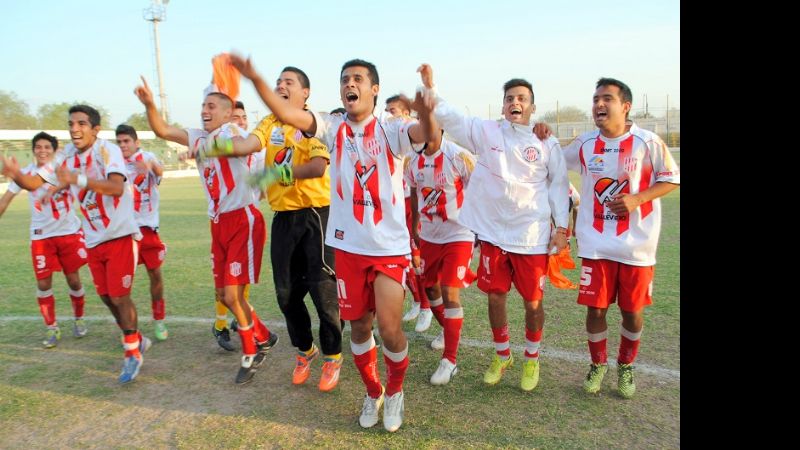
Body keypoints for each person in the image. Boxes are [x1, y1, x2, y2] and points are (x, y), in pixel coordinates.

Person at [228, 54, 434, 432]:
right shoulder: (332, 126)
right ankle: (373, 392)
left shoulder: (392, 129)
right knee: (358, 328)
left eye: (358, 78)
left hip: (388, 249)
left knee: (389, 328)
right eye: (344, 79)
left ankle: (397, 391)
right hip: (348, 249)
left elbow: (428, 135)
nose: (349, 84)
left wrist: (426, 106)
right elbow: (288, 113)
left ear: (374, 89)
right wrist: (256, 77)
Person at [419, 63, 569, 392]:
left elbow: (558, 185)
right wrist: (431, 88)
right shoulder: (487, 132)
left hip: (531, 237)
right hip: (493, 237)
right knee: (496, 298)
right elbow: (452, 118)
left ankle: (531, 358)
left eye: (522, 98)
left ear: (532, 106)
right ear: (503, 105)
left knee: (532, 302)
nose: (515, 102)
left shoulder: (546, 142)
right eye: (510, 98)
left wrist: (562, 228)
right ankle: (503, 355)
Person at [134, 73, 278, 385]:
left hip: (242, 219)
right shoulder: (198, 135)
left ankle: (251, 352)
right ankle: (264, 335)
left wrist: (202, 152)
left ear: (228, 113)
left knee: (232, 293)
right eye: (203, 105)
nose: (205, 110)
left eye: (212, 105)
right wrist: (149, 105)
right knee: (224, 295)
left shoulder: (232, 131)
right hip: (218, 223)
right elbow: (161, 129)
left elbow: (236, 148)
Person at [210, 65, 344, 392]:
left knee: (323, 294)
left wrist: (278, 175)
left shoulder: (313, 124)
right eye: (278, 82)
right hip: (284, 219)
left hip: (315, 217)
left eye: (289, 82)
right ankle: (305, 351)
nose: (281, 86)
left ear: (305, 92)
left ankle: (332, 356)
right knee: (286, 295)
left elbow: (316, 167)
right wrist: (215, 145)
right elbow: (247, 146)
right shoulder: (268, 123)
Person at [1, 106, 149, 384]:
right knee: (105, 297)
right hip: (93, 239)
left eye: (82, 123)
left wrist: (75, 179)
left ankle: (132, 352)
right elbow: (36, 181)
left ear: (95, 129)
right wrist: (16, 175)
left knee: (119, 296)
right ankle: (136, 339)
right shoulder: (67, 155)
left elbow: (116, 187)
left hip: (120, 234)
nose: (74, 128)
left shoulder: (108, 151)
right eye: (71, 123)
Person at [559, 78, 680, 398]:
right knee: (595, 309)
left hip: (636, 246)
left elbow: (672, 179)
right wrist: (543, 137)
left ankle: (626, 366)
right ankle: (597, 365)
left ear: (625, 106)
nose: (599, 104)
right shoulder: (585, 144)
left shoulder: (648, 142)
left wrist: (637, 199)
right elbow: (553, 163)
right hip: (596, 243)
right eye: (596, 98)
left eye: (607, 99)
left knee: (632, 311)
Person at [0, 132, 89, 348]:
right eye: (38, 147)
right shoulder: (26, 174)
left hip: (68, 233)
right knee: (43, 282)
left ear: (54, 150)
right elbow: (4, 201)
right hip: (41, 237)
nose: (42, 151)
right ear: (33, 150)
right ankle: (52, 327)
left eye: (47, 147)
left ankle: (79, 319)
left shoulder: (62, 171)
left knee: (74, 280)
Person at [404, 127, 477, 385]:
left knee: (449, 291)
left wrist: (479, 226)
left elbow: (477, 188)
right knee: (431, 290)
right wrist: (414, 225)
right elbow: (413, 191)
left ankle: (449, 361)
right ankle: (448, 330)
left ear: (440, 126)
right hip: (429, 237)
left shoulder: (459, 156)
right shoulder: (412, 160)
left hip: (459, 234)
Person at [384, 95, 433, 332]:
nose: (388, 115)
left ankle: (427, 307)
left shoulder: (415, 142)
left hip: (412, 207)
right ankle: (417, 301)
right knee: (403, 261)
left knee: (417, 260)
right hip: (392, 208)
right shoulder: (384, 136)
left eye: (392, 111)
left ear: (406, 115)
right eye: (386, 111)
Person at [116, 124, 169, 341]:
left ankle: (159, 320)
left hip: (148, 229)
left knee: (155, 275)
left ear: (136, 142)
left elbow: (159, 171)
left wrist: (150, 166)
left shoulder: (146, 156)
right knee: (123, 281)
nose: (122, 145)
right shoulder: (115, 163)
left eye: (126, 141)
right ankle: (130, 330)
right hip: (126, 231)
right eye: (119, 142)